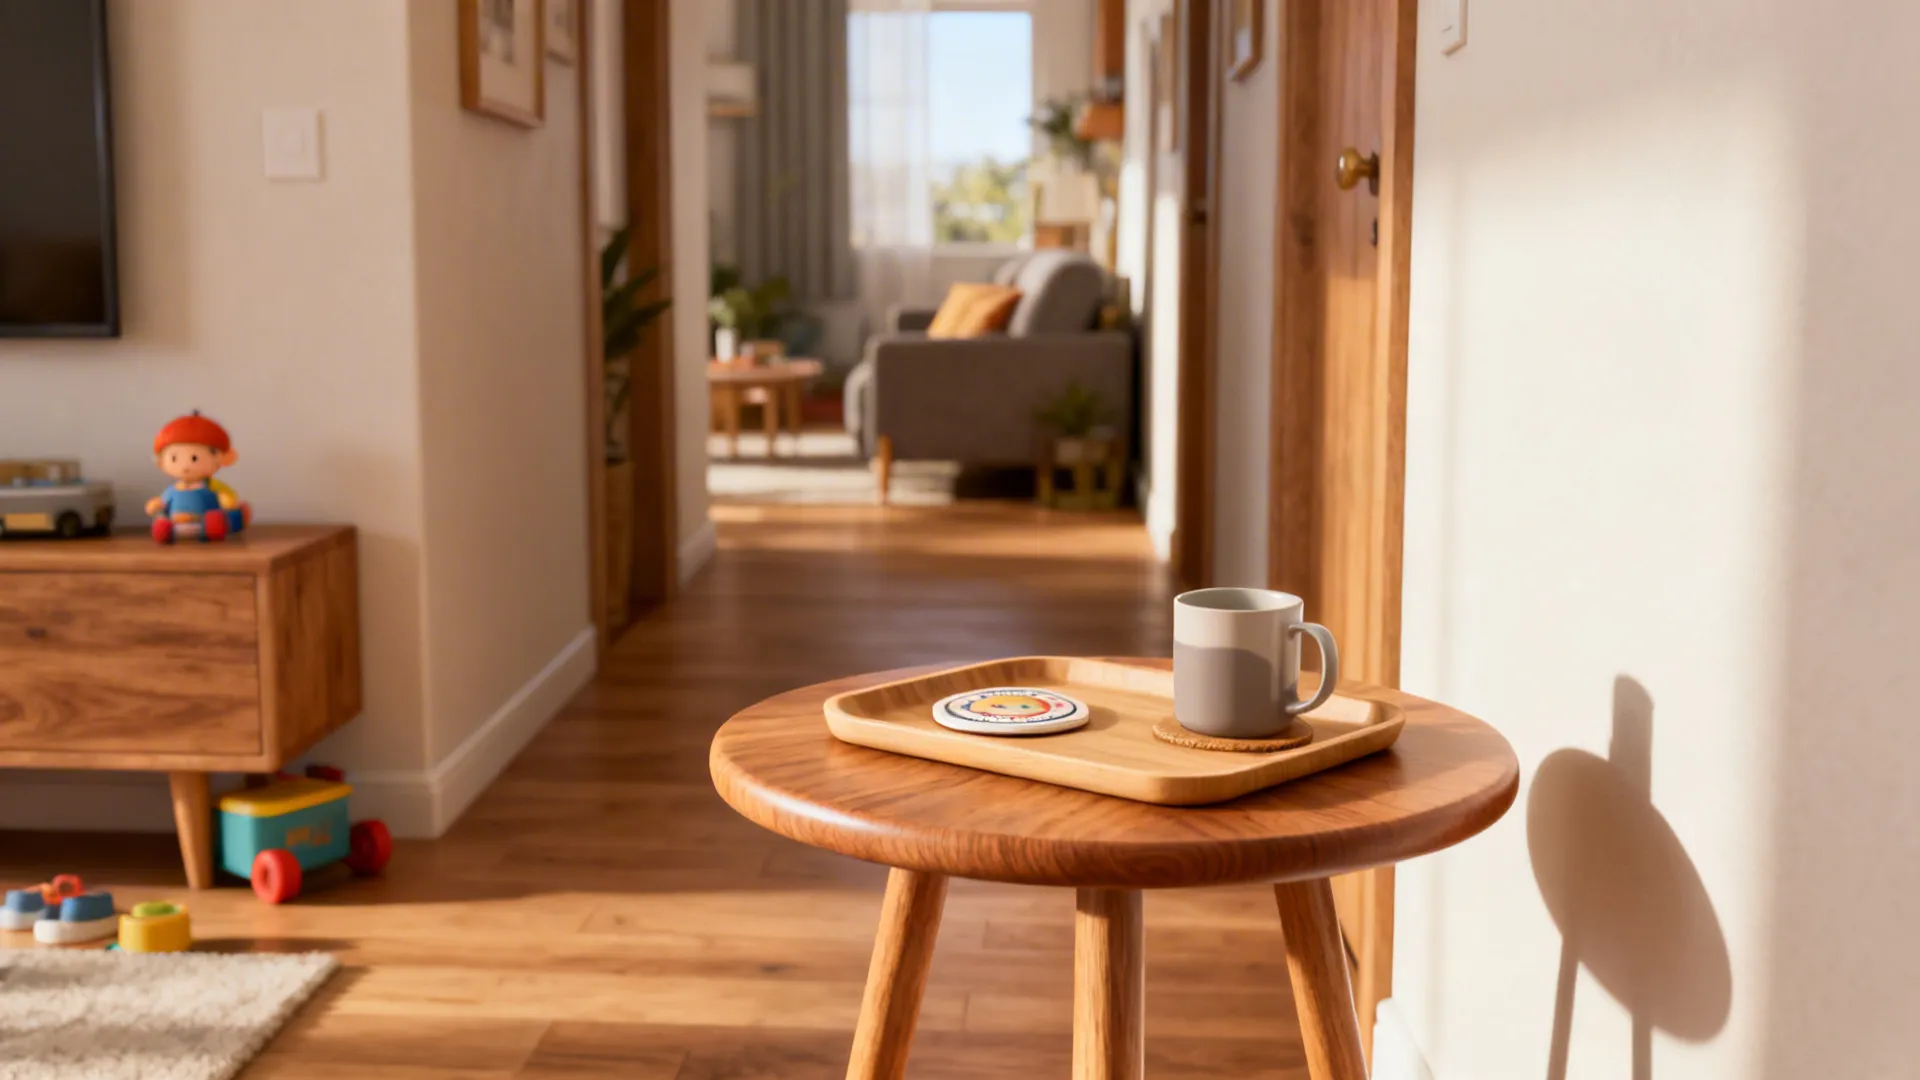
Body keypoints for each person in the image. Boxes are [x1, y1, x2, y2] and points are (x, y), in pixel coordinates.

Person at [145, 411, 248, 544]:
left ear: (224, 458)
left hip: (204, 522)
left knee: (218, 519)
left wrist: (227, 501)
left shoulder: (211, 486)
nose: (185, 466)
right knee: (161, 519)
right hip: (175, 524)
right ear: (160, 461)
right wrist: (156, 504)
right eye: (174, 458)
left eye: (194, 458)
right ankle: (164, 530)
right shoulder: (172, 490)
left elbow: (228, 499)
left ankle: (223, 524)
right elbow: (162, 502)